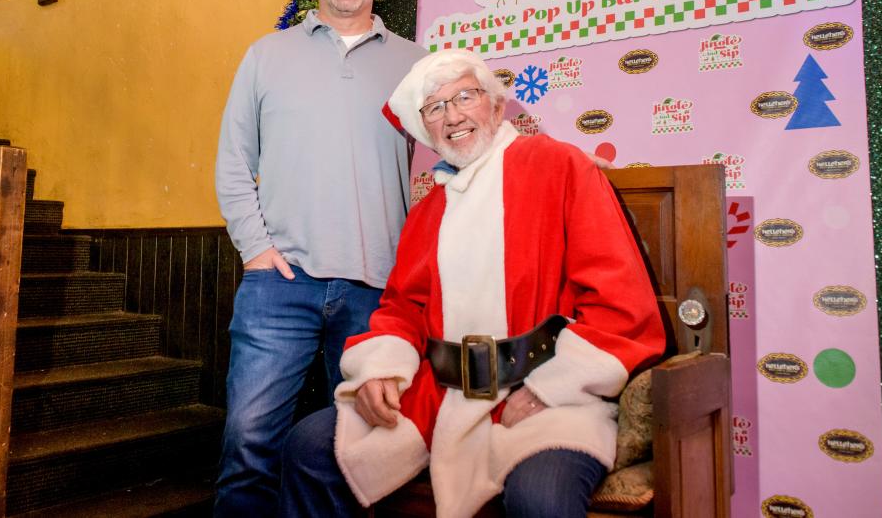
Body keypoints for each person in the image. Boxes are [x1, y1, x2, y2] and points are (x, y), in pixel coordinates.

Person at [278, 49, 666, 518]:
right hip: (439, 396)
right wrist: (380, 368)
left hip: (548, 395)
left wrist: (549, 388)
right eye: (436, 107)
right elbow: (402, 308)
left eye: (466, 96)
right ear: (426, 130)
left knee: (540, 498)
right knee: (310, 447)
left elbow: (620, 302)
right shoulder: (427, 213)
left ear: (497, 107)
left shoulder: (560, 166)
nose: (454, 115)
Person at [213, 0, 427, 516]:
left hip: (377, 292)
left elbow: (456, 157)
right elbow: (233, 162)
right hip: (279, 285)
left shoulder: (416, 65)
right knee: (249, 444)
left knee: (362, 451)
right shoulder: (266, 55)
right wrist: (256, 250)